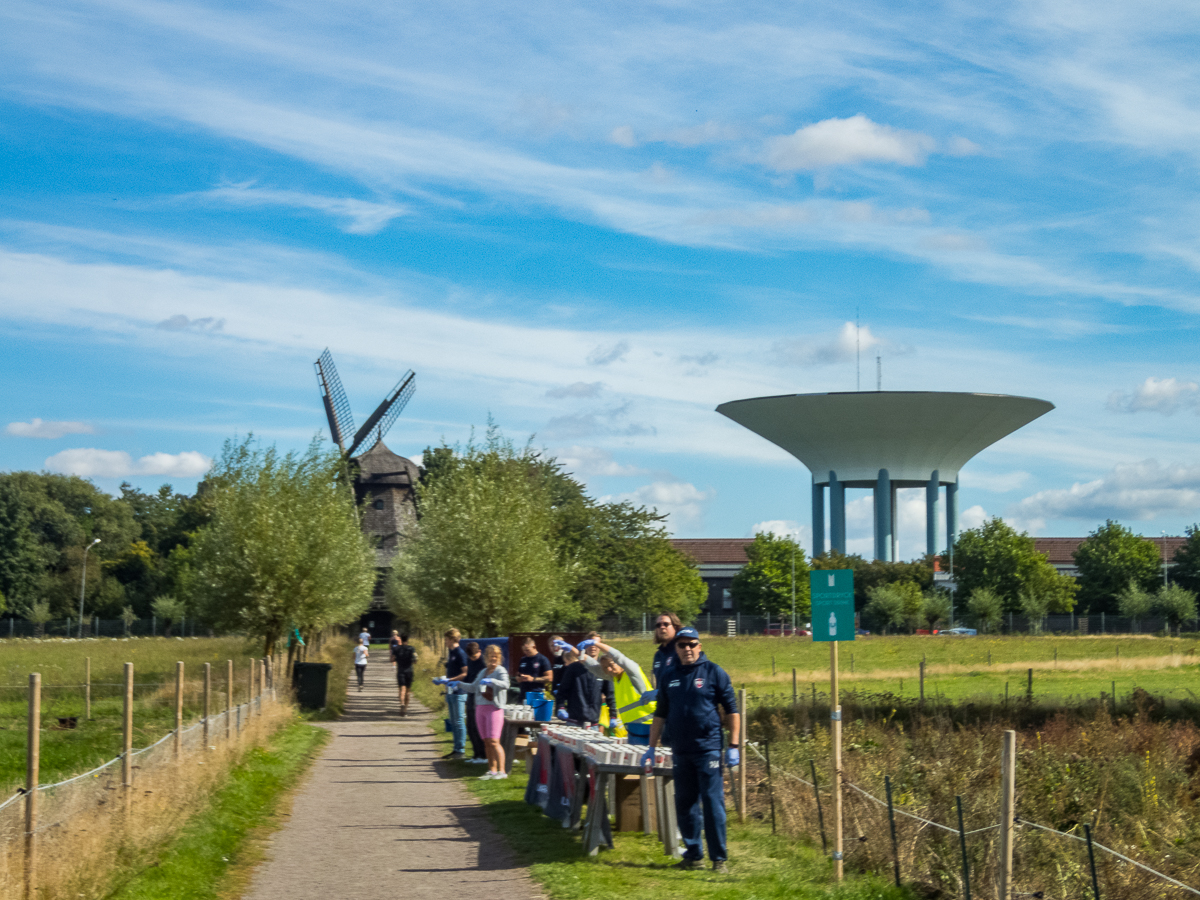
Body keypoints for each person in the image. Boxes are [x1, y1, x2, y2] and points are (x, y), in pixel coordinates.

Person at [642, 626, 740, 873]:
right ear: (676, 648)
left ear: (700, 646)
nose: (687, 649)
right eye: (682, 645)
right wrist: (650, 748)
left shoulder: (714, 672)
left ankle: (719, 859)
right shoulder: (669, 676)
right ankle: (694, 854)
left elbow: (732, 710)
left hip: (708, 749)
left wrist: (734, 745)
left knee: (712, 802)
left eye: (692, 644)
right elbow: (660, 713)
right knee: (684, 803)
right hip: (680, 750)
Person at [574, 636, 655, 744]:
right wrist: (571, 649)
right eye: (606, 667)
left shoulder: (632, 672)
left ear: (619, 664)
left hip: (649, 725)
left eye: (611, 665)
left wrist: (596, 643)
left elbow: (618, 657)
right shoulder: (615, 678)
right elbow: (594, 668)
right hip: (633, 728)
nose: (609, 669)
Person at [456, 644, 511, 779]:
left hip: (494, 708)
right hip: (480, 708)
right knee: (486, 741)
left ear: (499, 657)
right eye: (490, 656)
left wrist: (492, 680)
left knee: (494, 741)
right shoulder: (483, 672)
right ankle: (491, 770)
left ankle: (502, 771)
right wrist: (457, 684)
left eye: (495, 656)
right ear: (486, 657)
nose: (493, 658)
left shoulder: (501, 671)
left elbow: (506, 684)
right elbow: (474, 687)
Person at [431, 628, 469, 759]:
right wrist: (444, 679)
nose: (445, 642)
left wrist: (450, 680)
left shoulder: (460, 653)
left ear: (453, 640)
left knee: (459, 720)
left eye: (447, 639)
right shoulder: (451, 652)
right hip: (450, 691)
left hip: (459, 691)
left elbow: (465, 673)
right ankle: (456, 748)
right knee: (453, 720)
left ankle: (461, 749)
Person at [551, 647, 602, 726]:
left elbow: (610, 692)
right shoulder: (572, 669)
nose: (565, 664)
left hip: (593, 720)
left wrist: (613, 716)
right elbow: (562, 690)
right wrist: (560, 707)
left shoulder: (601, 669)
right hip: (574, 718)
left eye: (566, 662)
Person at [463, 642, 488, 764]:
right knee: (470, 726)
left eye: (474, 657)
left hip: (480, 696)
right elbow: (468, 677)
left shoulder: (484, 663)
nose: (472, 659)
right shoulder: (470, 661)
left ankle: (483, 755)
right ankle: (476, 753)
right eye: (470, 657)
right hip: (471, 694)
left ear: (479, 652)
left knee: (478, 726)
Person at [515, 637, 552, 702]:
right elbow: (518, 674)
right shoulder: (523, 660)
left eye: (527, 650)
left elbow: (549, 678)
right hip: (523, 694)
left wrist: (533, 679)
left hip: (536, 694)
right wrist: (518, 678)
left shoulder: (542, 659)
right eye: (523, 650)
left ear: (534, 647)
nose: (525, 652)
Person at [651, 612, 681, 687]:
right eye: (658, 625)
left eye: (666, 624)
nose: (662, 627)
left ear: (676, 627)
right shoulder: (658, 655)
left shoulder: (681, 651)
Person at [390, 632, 417, 716]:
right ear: (407, 640)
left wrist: (396, 659)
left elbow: (392, 659)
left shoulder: (396, 649)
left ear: (400, 639)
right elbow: (415, 660)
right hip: (409, 671)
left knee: (402, 689)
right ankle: (405, 709)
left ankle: (401, 703)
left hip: (400, 671)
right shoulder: (411, 649)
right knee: (408, 691)